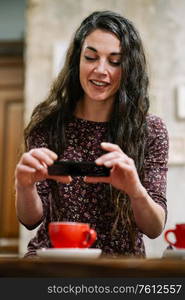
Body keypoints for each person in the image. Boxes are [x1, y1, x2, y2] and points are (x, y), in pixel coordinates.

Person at [15, 10, 169, 257]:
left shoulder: (150, 130)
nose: (100, 69)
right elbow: (31, 220)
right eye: (91, 57)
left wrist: (135, 190)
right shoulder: (48, 124)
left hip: (120, 269)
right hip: (54, 263)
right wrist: (24, 186)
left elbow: (154, 228)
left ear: (129, 68)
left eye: (115, 61)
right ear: (78, 59)